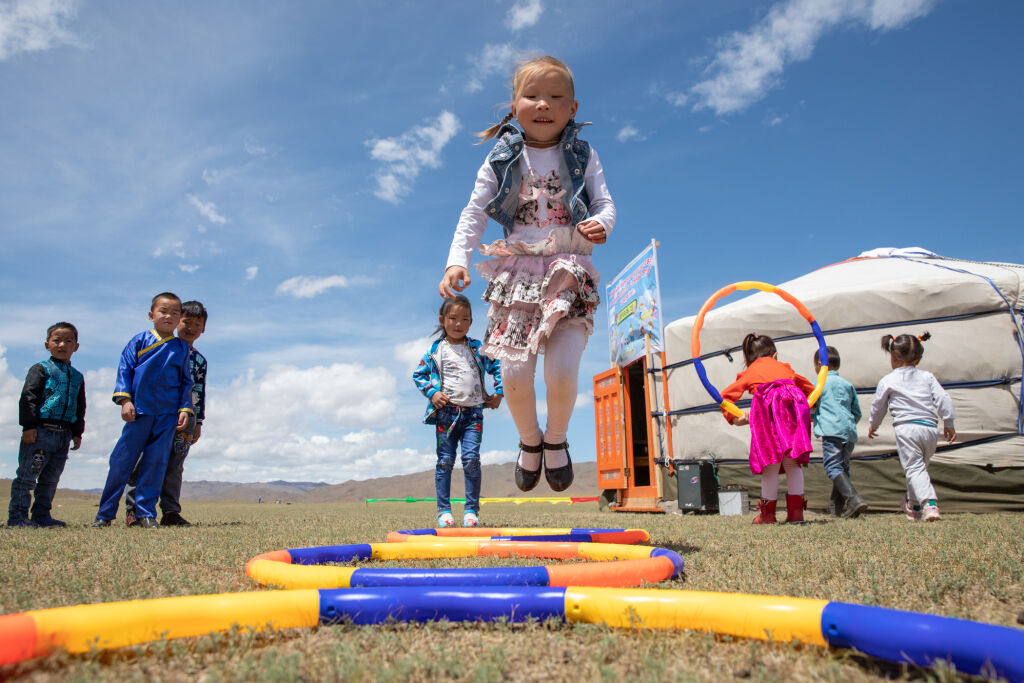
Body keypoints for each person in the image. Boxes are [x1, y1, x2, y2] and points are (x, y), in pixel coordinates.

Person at [438, 55, 615, 492]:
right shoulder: (501, 158)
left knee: (561, 370)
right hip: (517, 275)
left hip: (567, 268)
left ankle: (556, 441)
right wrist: (456, 258)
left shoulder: (582, 153)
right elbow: (475, 211)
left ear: (572, 109)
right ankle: (530, 441)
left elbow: (605, 203)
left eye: (556, 97)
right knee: (514, 376)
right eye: (532, 95)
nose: (543, 104)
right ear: (514, 105)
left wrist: (602, 223)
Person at [92, 293, 194, 529]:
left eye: (175, 312)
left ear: (180, 318)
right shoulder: (138, 341)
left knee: (156, 463)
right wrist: (125, 400)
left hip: (167, 415)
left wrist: (185, 408)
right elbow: (124, 371)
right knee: (121, 461)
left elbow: (186, 382)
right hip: (139, 412)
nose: (169, 316)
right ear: (151, 315)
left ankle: (146, 513)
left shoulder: (180, 348)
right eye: (163, 311)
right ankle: (105, 514)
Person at [413, 295, 503, 528]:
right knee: (445, 461)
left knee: (472, 460)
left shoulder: (477, 349)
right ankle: (443, 511)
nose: (458, 323)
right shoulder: (436, 351)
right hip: (446, 414)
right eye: (453, 318)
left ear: (471, 322)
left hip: (473, 415)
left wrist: (499, 393)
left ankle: (471, 511)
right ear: (443, 320)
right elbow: (419, 375)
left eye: (464, 319)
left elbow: (498, 366)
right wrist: (432, 393)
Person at [125, 301, 208, 527]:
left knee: (175, 464)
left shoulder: (199, 361)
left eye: (197, 324)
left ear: (203, 329)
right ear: (176, 321)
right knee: (143, 461)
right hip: (156, 414)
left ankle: (171, 512)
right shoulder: (161, 349)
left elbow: (199, 390)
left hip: (186, 420)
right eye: (186, 322)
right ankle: (135, 511)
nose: (190, 328)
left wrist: (198, 421)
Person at [721, 333, 815, 524]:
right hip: (792, 419)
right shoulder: (785, 368)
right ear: (775, 355)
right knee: (792, 464)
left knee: (770, 463)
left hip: (767, 421)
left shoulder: (750, 372)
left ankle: (767, 515)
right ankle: (797, 513)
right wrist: (802, 407)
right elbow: (810, 389)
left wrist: (737, 418)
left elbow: (725, 398)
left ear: (749, 358)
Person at [869, 332, 955, 522]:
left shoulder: (888, 380)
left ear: (892, 356)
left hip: (907, 429)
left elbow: (878, 406)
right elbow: (943, 398)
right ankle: (914, 507)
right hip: (930, 429)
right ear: (918, 359)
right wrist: (948, 422)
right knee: (918, 468)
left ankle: (929, 504)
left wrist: (873, 425)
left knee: (914, 468)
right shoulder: (927, 377)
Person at [8, 322, 86, 528]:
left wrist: (77, 432)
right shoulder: (41, 369)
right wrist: (29, 426)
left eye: (68, 341)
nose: (62, 345)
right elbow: (28, 397)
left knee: (51, 479)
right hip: (40, 432)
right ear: (47, 344)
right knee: (27, 477)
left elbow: (80, 407)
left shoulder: (77, 376)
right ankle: (17, 518)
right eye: (57, 340)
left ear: (76, 346)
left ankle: (41, 516)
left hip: (64, 434)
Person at [810, 346, 868, 518]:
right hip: (849, 432)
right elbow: (857, 412)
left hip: (831, 431)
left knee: (832, 466)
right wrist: (847, 425)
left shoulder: (818, 383)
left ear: (819, 364)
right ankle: (836, 509)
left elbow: (809, 405)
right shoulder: (847, 384)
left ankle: (854, 499)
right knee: (842, 468)